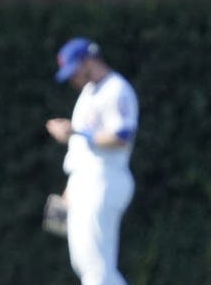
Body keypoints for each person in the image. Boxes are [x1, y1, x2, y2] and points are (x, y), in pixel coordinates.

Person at [45, 38, 139, 285]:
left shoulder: (116, 89)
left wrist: (75, 132)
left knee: (96, 268)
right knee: (87, 266)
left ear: (88, 61)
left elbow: (122, 137)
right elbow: (82, 152)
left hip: (105, 179)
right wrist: (70, 188)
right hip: (84, 182)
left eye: (74, 70)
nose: (72, 79)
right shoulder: (89, 92)